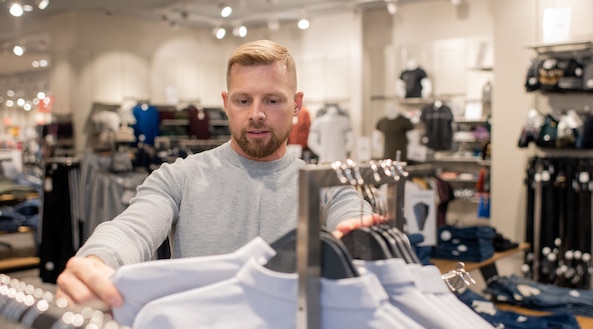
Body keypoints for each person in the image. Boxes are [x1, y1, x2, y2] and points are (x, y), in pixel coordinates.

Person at [56, 40, 375, 308]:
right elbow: (132, 228)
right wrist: (97, 261)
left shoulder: (327, 185)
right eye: (243, 100)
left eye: (273, 100)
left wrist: (364, 238)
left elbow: (354, 218)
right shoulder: (180, 177)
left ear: (296, 105)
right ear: (226, 103)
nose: (256, 114)